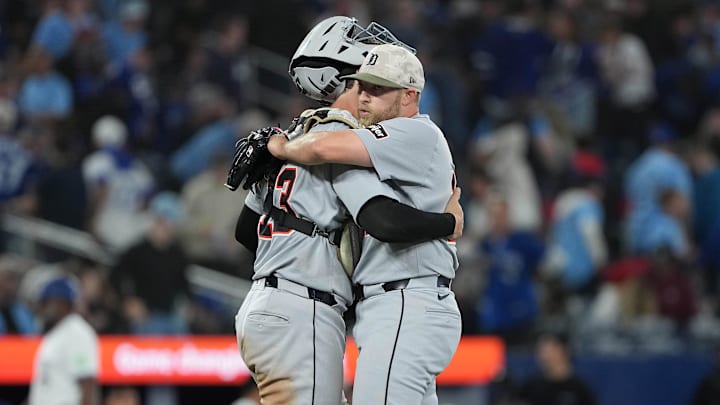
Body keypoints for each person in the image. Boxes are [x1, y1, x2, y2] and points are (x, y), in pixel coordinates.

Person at [234, 18, 462, 405]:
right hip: (306, 308)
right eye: (365, 86)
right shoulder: (335, 142)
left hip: (268, 304)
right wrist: (450, 222)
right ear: (349, 83)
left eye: (377, 88)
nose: (367, 98)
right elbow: (380, 219)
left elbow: (245, 232)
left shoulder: (296, 133)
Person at [28, 276, 100, 405]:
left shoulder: (78, 333)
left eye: (46, 302)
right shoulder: (55, 332)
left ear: (62, 303)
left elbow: (88, 384)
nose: (42, 308)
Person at [520, 331, 596, 405]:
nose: (542, 355)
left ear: (564, 350)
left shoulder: (580, 389)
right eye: (539, 350)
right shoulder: (531, 387)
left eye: (547, 350)